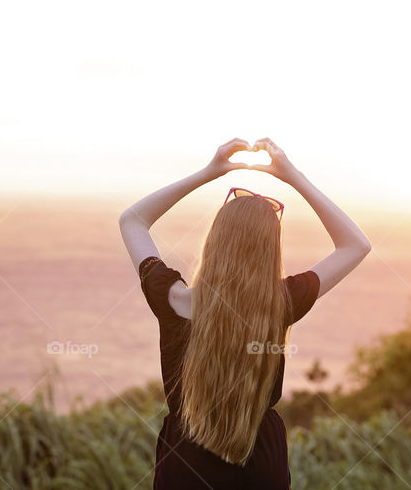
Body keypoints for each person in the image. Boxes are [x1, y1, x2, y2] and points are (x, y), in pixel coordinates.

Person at [119, 137, 371, 489]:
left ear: (215, 240)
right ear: (271, 249)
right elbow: (356, 244)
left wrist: (209, 172)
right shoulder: (281, 303)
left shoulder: (172, 298)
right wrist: (293, 176)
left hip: (185, 462)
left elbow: (132, 220)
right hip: (259, 459)